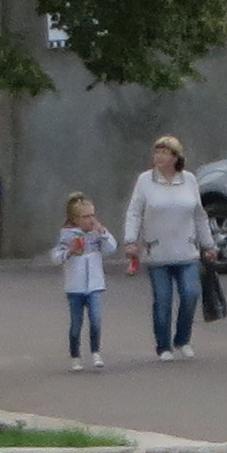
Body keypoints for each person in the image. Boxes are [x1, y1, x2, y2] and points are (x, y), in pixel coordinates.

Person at [123, 136, 208, 360]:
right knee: (163, 301)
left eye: (164, 152)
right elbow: (134, 212)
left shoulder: (189, 180)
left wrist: (208, 244)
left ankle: (183, 339)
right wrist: (130, 240)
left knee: (190, 294)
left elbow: (199, 215)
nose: (158, 156)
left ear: (175, 157)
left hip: (186, 250)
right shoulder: (145, 180)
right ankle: (164, 346)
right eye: (157, 152)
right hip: (158, 251)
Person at [53, 192, 114, 370]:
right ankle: (75, 356)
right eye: (86, 217)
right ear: (75, 219)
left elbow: (111, 249)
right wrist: (69, 252)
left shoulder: (97, 234)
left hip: (95, 285)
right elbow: (56, 256)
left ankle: (96, 352)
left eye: (92, 215)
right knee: (76, 324)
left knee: (95, 319)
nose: (91, 220)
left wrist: (104, 234)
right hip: (75, 287)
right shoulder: (67, 235)